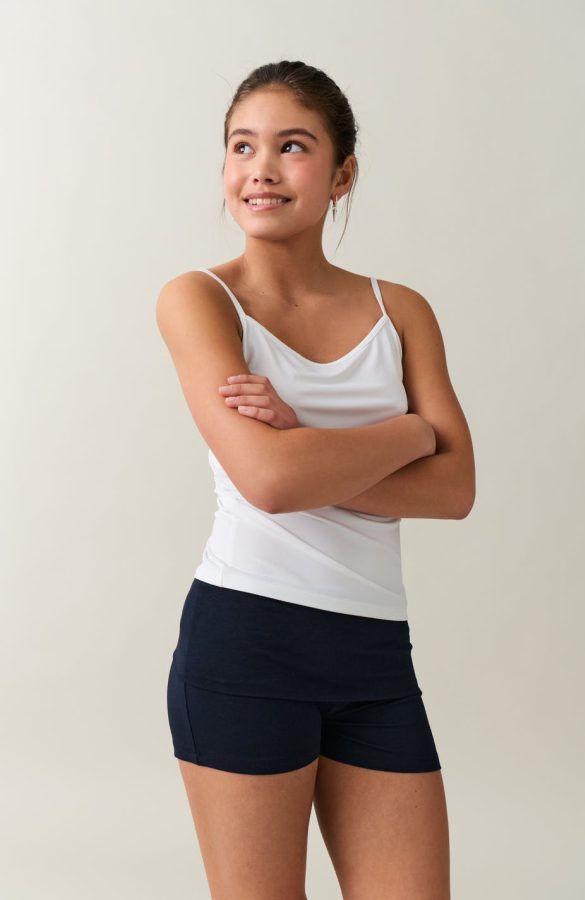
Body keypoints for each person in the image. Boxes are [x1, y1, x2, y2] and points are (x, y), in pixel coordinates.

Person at [156, 59, 475, 900]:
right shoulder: (199, 300)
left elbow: (455, 489)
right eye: (242, 146)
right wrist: (409, 434)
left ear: (342, 175)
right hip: (246, 646)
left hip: (375, 657)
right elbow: (267, 480)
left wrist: (306, 442)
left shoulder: (399, 310)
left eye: (292, 146)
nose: (261, 168)